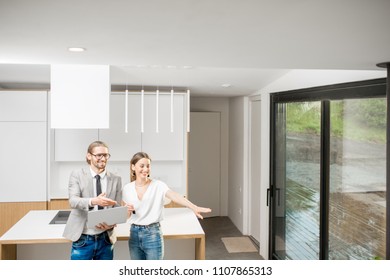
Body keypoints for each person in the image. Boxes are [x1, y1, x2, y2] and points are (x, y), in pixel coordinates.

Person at [122, 151, 211, 260]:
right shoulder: (127, 189)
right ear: (133, 167)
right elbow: (127, 216)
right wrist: (127, 212)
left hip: (153, 235)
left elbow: (174, 196)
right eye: (142, 166)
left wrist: (193, 207)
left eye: (148, 166)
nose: (145, 169)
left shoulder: (158, 185)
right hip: (134, 234)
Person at [63, 140, 123, 260]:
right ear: (89, 156)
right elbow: (73, 201)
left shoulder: (116, 179)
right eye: (98, 155)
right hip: (83, 239)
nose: (103, 158)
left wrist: (113, 222)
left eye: (105, 155)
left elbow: (117, 206)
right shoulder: (77, 175)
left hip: (106, 239)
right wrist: (94, 201)